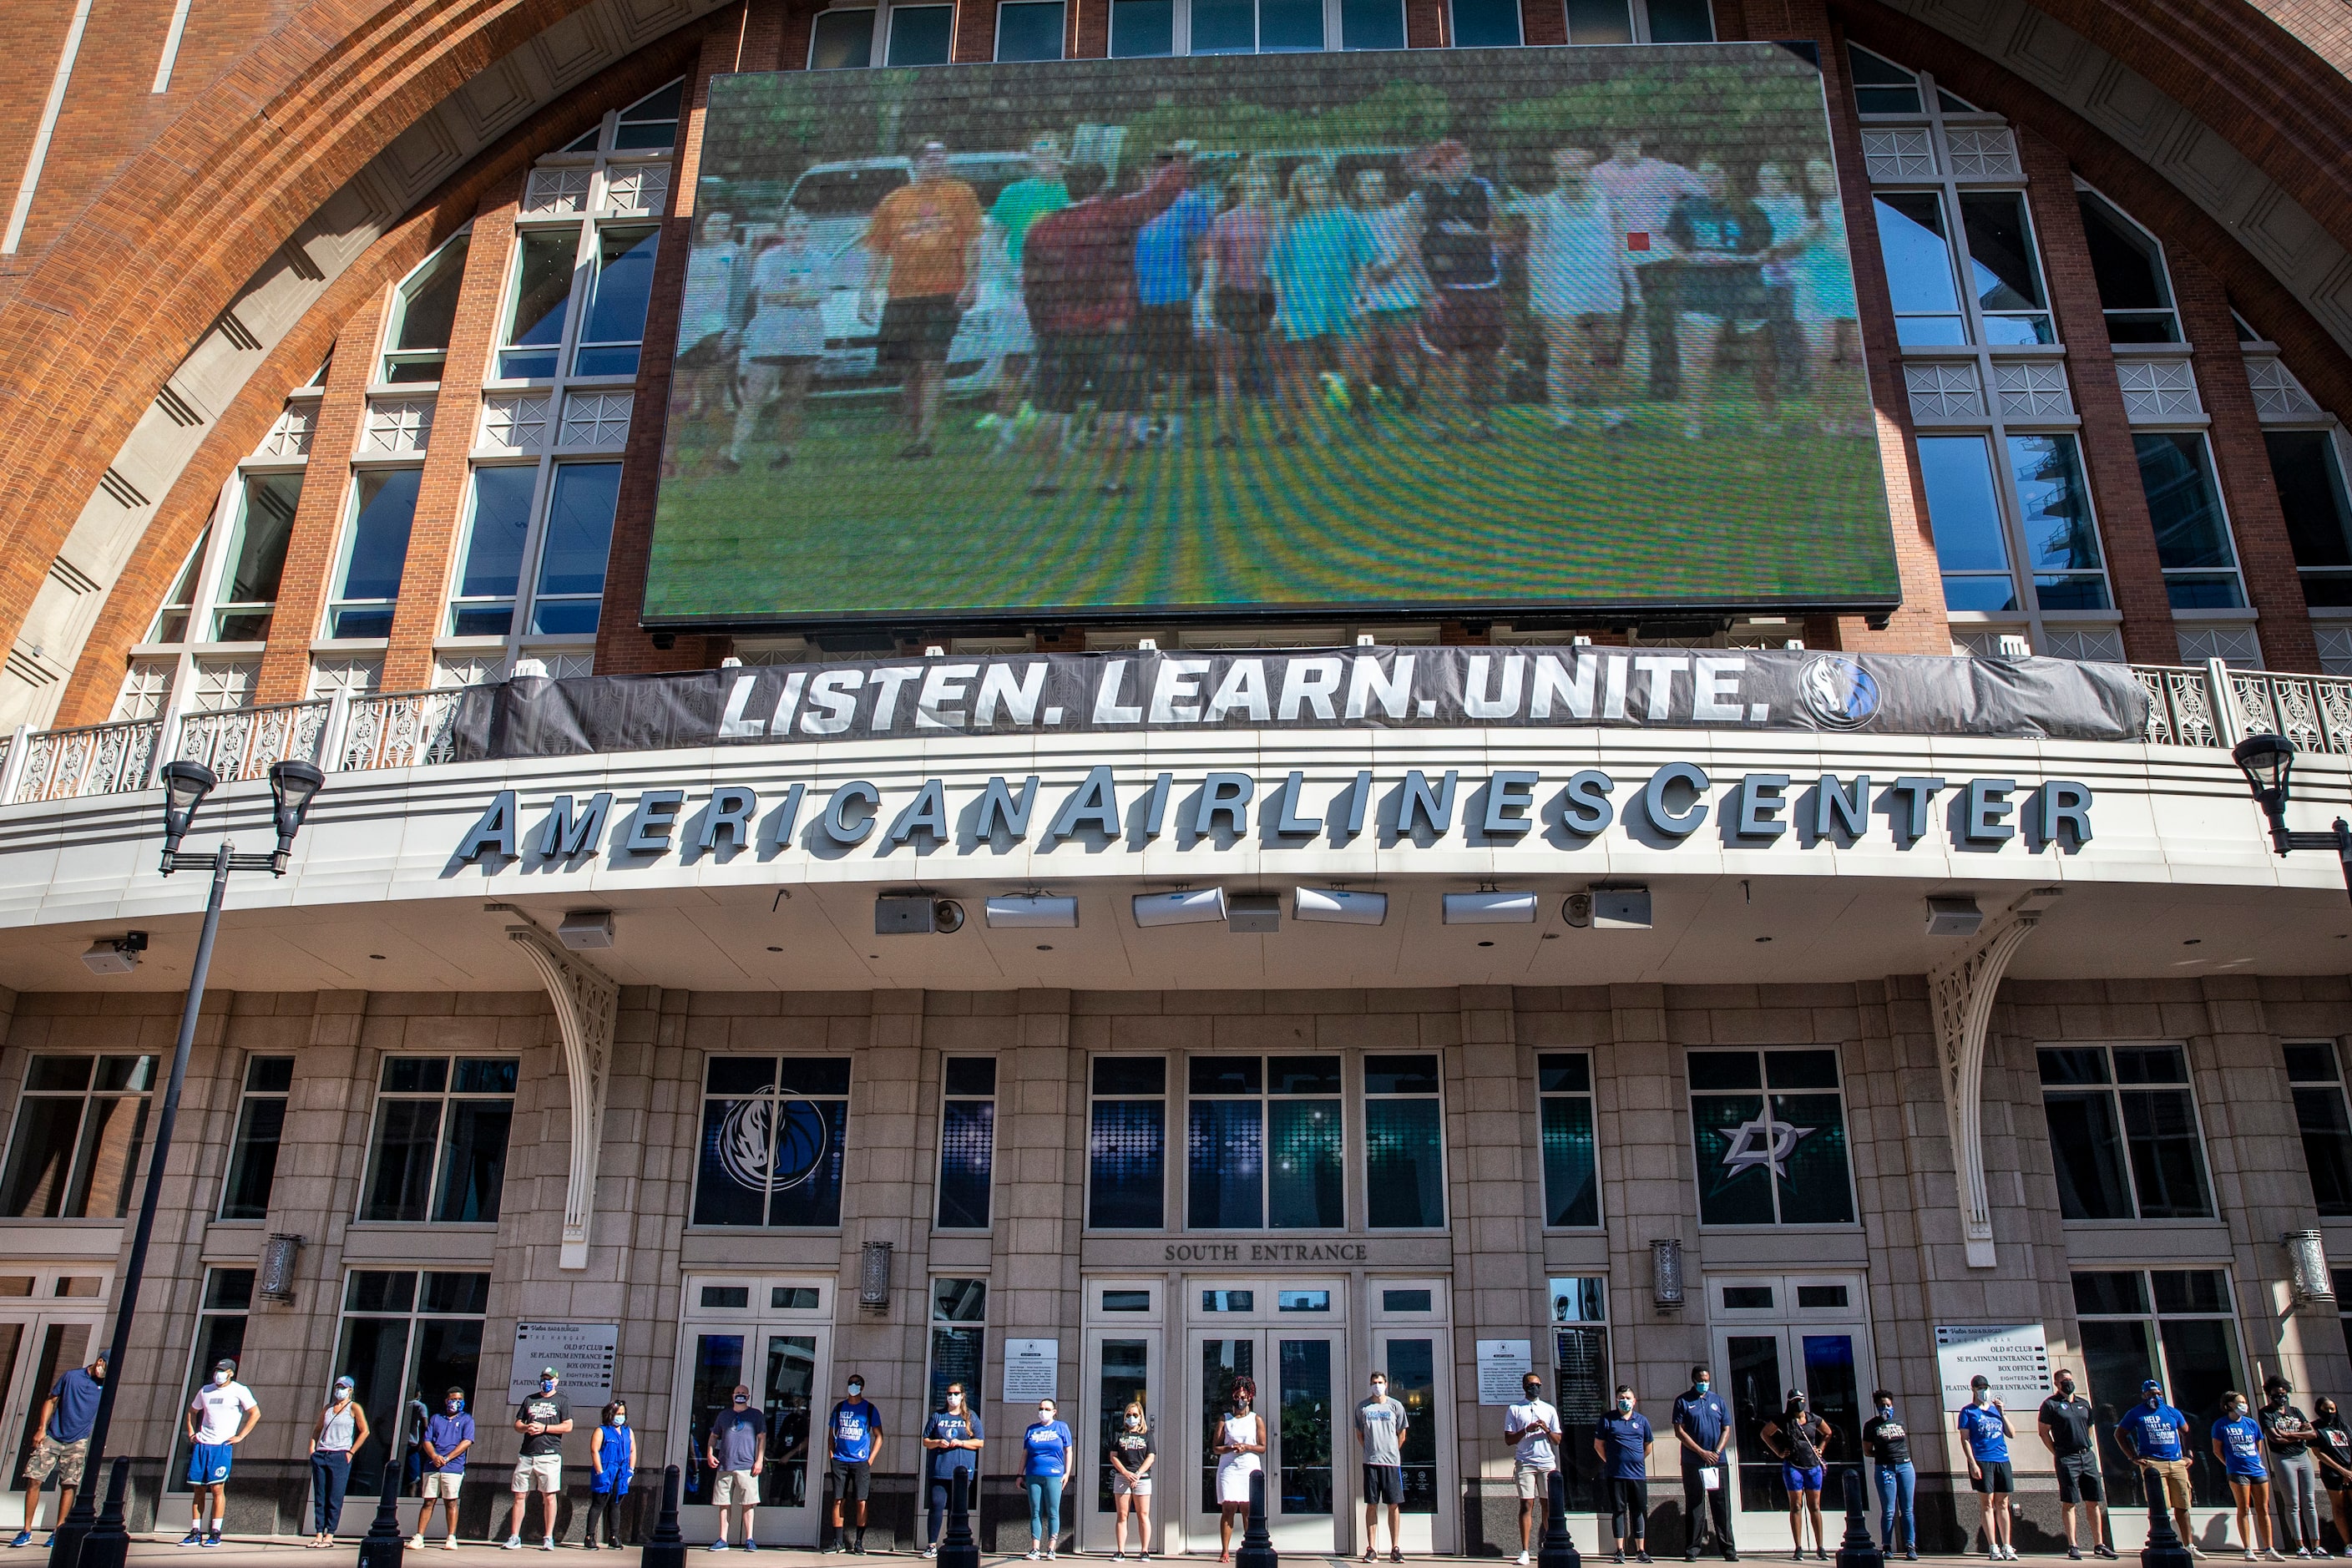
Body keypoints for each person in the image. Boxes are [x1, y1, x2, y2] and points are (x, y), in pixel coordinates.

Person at [1019, 155, 1191, 498]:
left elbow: (1031, 286)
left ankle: (1045, 479)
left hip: (1058, 331)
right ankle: (1110, 480)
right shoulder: (1114, 217)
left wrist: (1042, 326)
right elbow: (1162, 194)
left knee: (1051, 408)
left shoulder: (1041, 229)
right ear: (1101, 186)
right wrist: (1179, 161)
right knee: (1116, 407)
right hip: (1112, 330)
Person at [861, 139, 984, 458]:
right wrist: (867, 292)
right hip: (902, 294)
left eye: (942, 156)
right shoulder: (895, 200)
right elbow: (877, 248)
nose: (936, 161)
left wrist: (972, 282)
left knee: (932, 363)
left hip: (944, 292)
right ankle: (912, 434)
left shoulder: (961, 194)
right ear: (915, 163)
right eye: (929, 157)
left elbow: (972, 241)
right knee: (909, 368)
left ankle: (927, 437)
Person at [1507, 147, 1629, 433]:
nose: (1571, 174)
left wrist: (1642, 267)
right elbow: (1535, 254)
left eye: (1577, 168)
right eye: (1565, 169)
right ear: (1557, 172)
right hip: (1561, 294)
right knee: (1565, 357)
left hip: (1605, 290)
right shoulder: (1546, 207)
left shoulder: (1609, 202)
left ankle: (1614, 418)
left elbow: (1632, 240)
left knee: (1608, 355)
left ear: (1588, 170)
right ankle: (1564, 420)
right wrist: (1538, 297)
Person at [1662, 162, 1778, 440]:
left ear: (1727, 175)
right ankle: (1694, 421)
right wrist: (1684, 256)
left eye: (1715, 174)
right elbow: (1654, 241)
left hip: (1744, 287)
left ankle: (1768, 417)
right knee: (1699, 357)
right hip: (1702, 289)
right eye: (1703, 176)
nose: (1710, 180)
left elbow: (1770, 248)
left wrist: (1758, 257)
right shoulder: (1685, 209)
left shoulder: (1749, 210)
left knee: (1761, 357)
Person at [1267, 163, 1379, 445]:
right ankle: (1320, 429)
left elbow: (1365, 261)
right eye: (1310, 186)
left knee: (1355, 367)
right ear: (1300, 191)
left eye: (1321, 185)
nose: (1316, 191)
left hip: (1343, 302)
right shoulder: (1287, 223)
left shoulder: (1346, 217)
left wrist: (1361, 297)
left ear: (1330, 188)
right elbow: (1277, 271)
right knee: (1305, 369)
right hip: (1301, 305)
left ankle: (1364, 418)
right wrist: (1279, 311)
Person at [1591, 131, 1704, 402]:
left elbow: (1702, 195)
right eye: (1620, 142)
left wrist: (1681, 237)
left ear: (1640, 143)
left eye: (1631, 142)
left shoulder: (1663, 171)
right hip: (1612, 258)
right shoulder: (1597, 174)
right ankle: (1606, 386)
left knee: (1660, 323)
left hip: (1656, 257)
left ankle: (1665, 386)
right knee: (1612, 324)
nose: (1627, 147)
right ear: (1611, 143)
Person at [1406, 139, 1505, 441]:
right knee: (1441, 359)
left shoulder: (1484, 190)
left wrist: (1474, 234)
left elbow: (1505, 232)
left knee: (1483, 357)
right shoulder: (1421, 197)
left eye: (1467, 158)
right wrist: (1426, 290)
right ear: (1442, 165)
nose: (1465, 164)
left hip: (1483, 284)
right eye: (1457, 160)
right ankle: (1440, 424)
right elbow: (1410, 247)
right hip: (1444, 287)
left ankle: (1481, 422)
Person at [980, 134, 1070, 452]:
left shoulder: (1069, 194)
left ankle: (1060, 439)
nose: (1046, 159)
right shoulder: (1013, 193)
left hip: (1060, 290)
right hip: (1018, 292)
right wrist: (1010, 271)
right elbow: (991, 241)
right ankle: (1004, 437)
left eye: (1052, 152)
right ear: (1029, 158)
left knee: (1061, 361)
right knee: (1015, 362)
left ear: (1062, 156)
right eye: (1039, 154)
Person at [724, 216, 826, 473]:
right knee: (753, 399)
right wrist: (799, 297)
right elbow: (765, 293)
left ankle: (785, 453)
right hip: (769, 339)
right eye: (793, 227)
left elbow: (821, 295)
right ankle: (735, 455)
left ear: (808, 230)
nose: (798, 232)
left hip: (805, 339)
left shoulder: (820, 259)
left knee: (793, 398)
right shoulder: (767, 259)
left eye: (803, 226)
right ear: (784, 231)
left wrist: (789, 297)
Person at [1131, 150, 1217, 445]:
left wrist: (1196, 288)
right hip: (1137, 298)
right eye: (1159, 170)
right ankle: (1142, 426)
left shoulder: (1192, 203)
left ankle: (1174, 426)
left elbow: (1201, 249)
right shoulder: (1134, 203)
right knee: (1141, 363)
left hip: (1177, 295)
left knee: (1177, 365)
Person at [1197, 161, 1281, 446]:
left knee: (1272, 364)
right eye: (1255, 187)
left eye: (1265, 187)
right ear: (1244, 189)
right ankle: (1226, 432)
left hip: (1269, 298)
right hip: (1233, 297)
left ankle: (1282, 429)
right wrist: (1206, 303)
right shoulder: (1224, 221)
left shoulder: (1281, 218)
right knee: (1229, 367)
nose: (1260, 192)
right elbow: (1213, 265)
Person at [1347, 166, 1429, 427]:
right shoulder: (1349, 219)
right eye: (1368, 184)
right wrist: (1369, 269)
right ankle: (1362, 404)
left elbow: (1411, 245)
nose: (1375, 189)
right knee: (1363, 349)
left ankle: (1410, 399)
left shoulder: (1400, 212)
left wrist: (1390, 267)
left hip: (1400, 288)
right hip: (1362, 292)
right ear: (1358, 189)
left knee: (1404, 347)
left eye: (1379, 183)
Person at [673, 209, 749, 463]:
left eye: (723, 224)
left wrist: (734, 331)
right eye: (712, 223)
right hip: (685, 334)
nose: (717, 228)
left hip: (717, 332)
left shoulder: (736, 254)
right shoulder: (687, 254)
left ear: (730, 229)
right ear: (703, 226)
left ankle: (719, 454)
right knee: (679, 397)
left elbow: (741, 297)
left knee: (713, 397)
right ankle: (670, 458)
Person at [1796, 159, 1864, 434]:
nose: (1818, 178)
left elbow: (1853, 250)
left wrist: (1824, 237)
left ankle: (1857, 418)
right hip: (1817, 293)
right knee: (1822, 359)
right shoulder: (1802, 209)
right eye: (1811, 174)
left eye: (1822, 172)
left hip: (1850, 291)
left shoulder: (1851, 207)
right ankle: (1827, 417)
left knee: (1856, 359)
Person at [14, 1348, 103, 1548]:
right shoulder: (71, 1377)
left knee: (69, 1484)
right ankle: (26, 1530)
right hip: (54, 1435)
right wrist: (41, 1429)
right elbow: (51, 1400)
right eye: (104, 1367)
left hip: (78, 1440)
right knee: (34, 1479)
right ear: (99, 1362)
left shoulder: (105, 1386)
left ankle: (58, 1530)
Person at [2117, 1378, 2200, 1558]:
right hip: (2152, 1463)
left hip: (2176, 1462)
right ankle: (2163, 1539)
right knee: (2159, 1504)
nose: (2155, 1396)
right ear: (2144, 1395)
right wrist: (2132, 1456)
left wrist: (2189, 1455)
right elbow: (2120, 1434)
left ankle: (2189, 1544)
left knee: (2183, 1504)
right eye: (2151, 1393)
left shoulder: (2172, 1412)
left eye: (2158, 1393)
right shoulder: (2137, 1413)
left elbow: (2186, 1431)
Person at [184, 1357, 260, 1548]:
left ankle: (215, 1531)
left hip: (222, 1446)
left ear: (231, 1373)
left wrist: (240, 1436)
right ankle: (195, 1531)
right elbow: (192, 1411)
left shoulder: (239, 1390)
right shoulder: (206, 1390)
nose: (219, 1373)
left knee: (217, 1488)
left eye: (223, 1370)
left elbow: (255, 1413)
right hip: (203, 1444)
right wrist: (192, 1432)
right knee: (198, 1488)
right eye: (217, 1369)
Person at [2040, 1368, 2114, 1561]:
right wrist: (2057, 1452)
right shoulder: (2051, 1405)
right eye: (2064, 1380)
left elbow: (2089, 1427)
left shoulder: (2083, 1404)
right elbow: (2043, 1432)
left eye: (2070, 1380)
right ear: (2056, 1383)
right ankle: (2073, 1544)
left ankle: (2099, 1544)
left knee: (2094, 1501)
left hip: (2086, 1457)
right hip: (2067, 1457)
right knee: (2070, 1501)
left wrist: (2084, 1447)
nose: (2069, 1383)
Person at [505, 1366, 574, 1552]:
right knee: (520, 1495)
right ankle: (514, 1536)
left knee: (549, 1496)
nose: (546, 1381)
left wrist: (544, 1428)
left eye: (550, 1378)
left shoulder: (562, 1401)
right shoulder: (530, 1399)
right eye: (544, 1378)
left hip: (549, 1455)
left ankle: (548, 1537)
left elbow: (568, 1426)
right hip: (527, 1454)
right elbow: (518, 1423)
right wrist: (526, 1428)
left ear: (557, 1381)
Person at [1672, 1367, 1737, 1563]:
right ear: (1694, 1380)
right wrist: (1701, 1452)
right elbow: (1679, 1431)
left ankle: (1728, 1549)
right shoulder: (1683, 1401)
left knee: (1721, 1506)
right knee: (1695, 1505)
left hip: (1718, 1462)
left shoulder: (1718, 1401)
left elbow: (1726, 1428)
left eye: (1707, 1380)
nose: (1704, 1383)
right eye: (1701, 1380)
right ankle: (1692, 1549)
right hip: (1694, 1462)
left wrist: (1716, 1452)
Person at [1760, 1390, 1832, 1563]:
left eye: (1800, 1400)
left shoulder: (1813, 1419)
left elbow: (1828, 1433)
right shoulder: (1784, 1420)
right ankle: (1798, 1547)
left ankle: (1820, 1547)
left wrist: (1820, 1448)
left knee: (1815, 1506)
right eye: (1794, 1400)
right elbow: (1765, 1433)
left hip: (1812, 1466)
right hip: (1793, 1466)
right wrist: (1778, 1451)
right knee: (1796, 1506)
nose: (1798, 1403)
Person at [2262, 1376, 2323, 1559]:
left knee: (2310, 1501)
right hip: (2283, 1458)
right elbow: (2275, 1438)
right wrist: (2300, 1434)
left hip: (2302, 1456)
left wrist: (2290, 1433)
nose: (2280, 1398)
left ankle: (2316, 1545)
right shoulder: (2267, 1413)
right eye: (2276, 1395)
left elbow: (2312, 1434)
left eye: (2283, 1394)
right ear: (2269, 1395)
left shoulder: (2295, 1411)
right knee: (2293, 1503)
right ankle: (2299, 1545)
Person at [920, 1382, 984, 1559]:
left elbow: (980, 1442)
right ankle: (932, 1544)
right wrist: (937, 1443)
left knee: (957, 1509)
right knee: (937, 1505)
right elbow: (926, 1440)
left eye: (956, 1393)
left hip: (962, 1471)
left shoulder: (970, 1417)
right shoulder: (938, 1416)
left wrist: (962, 1443)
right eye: (949, 1393)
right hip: (940, 1469)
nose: (952, 1397)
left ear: (962, 1395)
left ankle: (953, 1543)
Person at [1956, 1375, 2016, 1560]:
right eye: (1980, 1387)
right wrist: (1972, 1463)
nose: (1984, 1391)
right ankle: (1993, 1545)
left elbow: (2011, 1433)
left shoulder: (1995, 1411)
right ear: (1973, 1389)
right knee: (1987, 1503)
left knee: (2003, 1503)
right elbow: (1965, 1439)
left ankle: (2007, 1545)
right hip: (1982, 1459)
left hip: (2001, 1459)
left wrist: (2002, 1412)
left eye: (1986, 1387)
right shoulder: (1968, 1412)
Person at [1506, 1371, 1562, 1566]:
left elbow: (1557, 1440)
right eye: (1532, 1384)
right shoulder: (1515, 1409)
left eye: (1538, 1384)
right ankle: (1525, 1550)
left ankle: (1550, 1545)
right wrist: (1526, 1430)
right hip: (1525, 1462)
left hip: (1547, 1462)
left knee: (1547, 1505)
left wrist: (1546, 1429)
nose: (1535, 1387)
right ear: (1525, 1386)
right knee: (1526, 1504)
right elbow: (1508, 1439)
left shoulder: (1549, 1409)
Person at [1595, 1386, 1654, 1565]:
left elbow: (1648, 1446)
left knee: (1638, 1510)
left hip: (1637, 1475)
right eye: (1621, 1397)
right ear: (1616, 1400)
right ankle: (1619, 1550)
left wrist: (1636, 1460)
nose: (1625, 1400)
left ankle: (1640, 1550)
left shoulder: (1642, 1421)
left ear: (1634, 1401)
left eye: (1628, 1397)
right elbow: (1598, 1445)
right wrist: (1611, 1461)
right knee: (1619, 1511)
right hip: (1616, 1474)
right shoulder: (1608, 1419)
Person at [705, 1383, 767, 1551]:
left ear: (748, 1397)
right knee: (723, 1503)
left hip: (747, 1466)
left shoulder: (756, 1415)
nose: (740, 1395)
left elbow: (762, 1438)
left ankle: (749, 1539)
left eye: (743, 1393)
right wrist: (710, 1454)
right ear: (732, 1396)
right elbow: (713, 1436)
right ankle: (722, 1539)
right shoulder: (724, 1415)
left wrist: (759, 1460)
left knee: (749, 1503)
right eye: (737, 1393)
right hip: (725, 1465)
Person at [307, 1376, 369, 1547]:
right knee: (320, 1494)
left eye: (343, 1387)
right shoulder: (328, 1408)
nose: (339, 1390)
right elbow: (318, 1429)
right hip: (322, 1454)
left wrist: (351, 1452)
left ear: (350, 1390)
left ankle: (330, 1534)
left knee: (335, 1495)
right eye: (338, 1387)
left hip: (340, 1454)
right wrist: (313, 1448)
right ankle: (319, 1532)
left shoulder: (354, 1407)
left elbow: (365, 1431)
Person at [826, 1372, 883, 1554]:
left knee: (861, 1501)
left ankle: (859, 1542)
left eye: (857, 1383)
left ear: (862, 1387)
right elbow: (831, 1433)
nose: (853, 1386)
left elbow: (879, 1436)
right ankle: (837, 1541)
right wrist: (832, 1455)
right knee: (838, 1500)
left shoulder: (869, 1409)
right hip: (840, 1460)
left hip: (860, 1462)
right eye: (851, 1383)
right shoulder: (840, 1407)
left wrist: (870, 1458)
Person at [1357, 1368, 1409, 1564]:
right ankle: (1371, 1548)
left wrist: (1392, 1451)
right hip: (1370, 1462)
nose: (1377, 1386)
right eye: (1374, 1382)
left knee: (1393, 1504)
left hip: (1391, 1463)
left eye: (1380, 1382)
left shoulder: (1396, 1407)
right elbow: (1360, 1434)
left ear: (1386, 1384)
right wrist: (1372, 1449)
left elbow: (1402, 1433)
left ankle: (1395, 1548)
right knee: (1371, 1504)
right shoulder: (1363, 1408)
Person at [1213, 1378, 1267, 1564]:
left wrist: (1246, 1447)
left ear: (1250, 1398)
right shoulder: (1225, 1419)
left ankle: (1250, 1547)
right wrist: (1230, 1448)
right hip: (1229, 1467)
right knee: (1229, 1507)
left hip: (1248, 1466)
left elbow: (1262, 1447)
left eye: (1243, 1396)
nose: (1240, 1400)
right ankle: (1225, 1550)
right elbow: (1216, 1447)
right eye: (1237, 1396)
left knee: (1247, 1508)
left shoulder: (1256, 1419)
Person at [2217, 1391, 2276, 1560]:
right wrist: (2230, 1464)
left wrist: (2255, 1461)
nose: (2243, 1404)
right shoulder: (2221, 1425)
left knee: (2263, 1508)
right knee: (2243, 1508)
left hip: (2257, 1470)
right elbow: (2217, 1450)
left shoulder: (2251, 1424)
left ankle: (2269, 1548)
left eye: (2244, 1401)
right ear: (2229, 1405)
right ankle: (2248, 1548)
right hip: (2237, 1472)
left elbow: (2258, 1446)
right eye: (2239, 1402)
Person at [415, 1387, 473, 1551]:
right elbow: (427, 1440)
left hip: (453, 1467)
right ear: (446, 1401)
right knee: (429, 1500)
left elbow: (466, 1442)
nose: (456, 1402)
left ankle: (451, 1537)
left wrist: (448, 1458)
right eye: (453, 1399)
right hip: (432, 1466)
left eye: (459, 1400)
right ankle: (419, 1536)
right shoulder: (436, 1418)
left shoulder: (467, 1420)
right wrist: (434, 1456)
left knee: (451, 1501)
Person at [1862, 1390, 1915, 1560]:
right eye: (1882, 1405)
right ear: (1877, 1407)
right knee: (1889, 1510)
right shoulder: (1871, 1426)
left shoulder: (1900, 1421)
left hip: (1905, 1466)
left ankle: (1910, 1546)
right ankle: (1887, 1546)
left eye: (1888, 1405)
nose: (1886, 1408)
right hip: (1885, 1468)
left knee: (1907, 1510)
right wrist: (1882, 1454)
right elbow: (1867, 1450)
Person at [1022, 1396, 1075, 1560]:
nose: (1043, 1412)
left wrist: (1067, 1473)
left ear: (1054, 1412)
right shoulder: (1031, 1429)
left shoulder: (1061, 1427)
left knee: (1053, 1511)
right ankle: (1035, 1548)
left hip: (1054, 1474)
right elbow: (1025, 1454)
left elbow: (1069, 1451)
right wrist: (1019, 1474)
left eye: (1046, 1409)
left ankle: (1052, 1548)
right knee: (1035, 1511)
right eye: (1041, 1409)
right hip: (1033, 1474)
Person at [1108, 1399, 1156, 1560]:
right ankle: (1121, 1550)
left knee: (1143, 1514)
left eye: (1135, 1414)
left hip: (1142, 1479)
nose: (1132, 1417)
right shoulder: (1119, 1434)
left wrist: (1138, 1473)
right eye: (1129, 1414)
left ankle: (1144, 1550)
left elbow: (1151, 1456)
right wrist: (1126, 1473)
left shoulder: (1147, 1435)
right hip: (1122, 1478)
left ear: (1141, 1417)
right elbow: (1113, 1456)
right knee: (1122, 1515)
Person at [587, 1400, 635, 1550]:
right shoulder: (602, 1431)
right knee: (599, 1503)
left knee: (616, 1504)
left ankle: (614, 1536)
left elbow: (632, 1450)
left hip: (621, 1472)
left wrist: (631, 1470)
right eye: (617, 1413)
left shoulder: (628, 1431)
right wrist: (600, 1471)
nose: (620, 1417)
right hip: (606, 1469)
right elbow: (595, 1450)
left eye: (622, 1414)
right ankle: (590, 1536)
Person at [2309, 1398, 2352, 1551]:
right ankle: (2348, 1544)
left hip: (2350, 1471)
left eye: (2332, 1409)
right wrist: (2341, 1471)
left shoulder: (2342, 1426)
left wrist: (2349, 1471)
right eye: (2326, 1409)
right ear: (2319, 1409)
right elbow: (2318, 1453)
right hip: (2332, 1473)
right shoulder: (2315, 1428)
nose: (2329, 1412)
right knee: (2339, 1507)